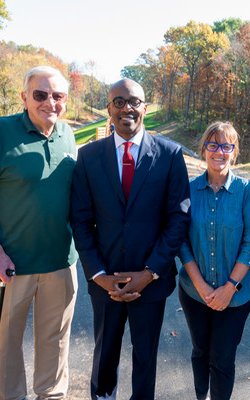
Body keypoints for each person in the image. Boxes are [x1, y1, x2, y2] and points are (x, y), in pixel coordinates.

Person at [69, 78, 191, 400]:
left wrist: (150, 272)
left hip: (150, 282)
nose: (127, 108)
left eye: (134, 101)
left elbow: (178, 218)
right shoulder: (89, 156)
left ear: (145, 108)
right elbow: (80, 220)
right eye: (119, 102)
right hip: (105, 281)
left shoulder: (170, 154)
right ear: (108, 109)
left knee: (146, 358)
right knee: (104, 355)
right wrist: (99, 275)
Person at [0, 66, 79, 400]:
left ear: (66, 101)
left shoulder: (68, 135)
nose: (49, 102)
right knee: (5, 354)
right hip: (8, 267)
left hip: (60, 265)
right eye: (40, 95)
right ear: (25, 97)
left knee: (55, 350)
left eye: (57, 96)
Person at [178, 122, 250, 400]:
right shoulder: (188, 190)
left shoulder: (246, 191)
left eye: (226, 146)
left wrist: (229, 287)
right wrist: (200, 285)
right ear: (203, 149)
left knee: (223, 358)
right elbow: (181, 240)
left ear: (234, 152)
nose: (219, 151)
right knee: (200, 350)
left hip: (236, 296)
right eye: (213, 145)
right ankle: (200, 395)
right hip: (194, 292)